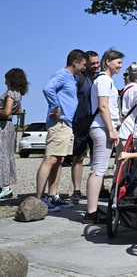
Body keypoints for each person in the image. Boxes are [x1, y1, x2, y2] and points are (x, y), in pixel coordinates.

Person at [37, 49, 86, 213]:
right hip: (59, 123)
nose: (84, 68)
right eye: (83, 64)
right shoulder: (62, 74)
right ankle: (39, 199)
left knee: (59, 160)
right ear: (76, 63)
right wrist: (55, 107)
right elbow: (47, 88)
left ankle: (52, 195)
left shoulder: (71, 78)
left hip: (67, 124)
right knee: (50, 159)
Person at [85, 48, 124, 223]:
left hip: (103, 127)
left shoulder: (105, 80)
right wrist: (110, 130)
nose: (120, 66)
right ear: (108, 61)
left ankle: (92, 209)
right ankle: (91, 212)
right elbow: (103, 106)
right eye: (118, 62)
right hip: (101, 128)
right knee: (99, 169)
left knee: (98, 168)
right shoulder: (103, 80)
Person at [70, 50, 99, 204]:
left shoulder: (101, 78)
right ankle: (76, 190)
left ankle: (97, 189)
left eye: (97, 63)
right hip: (81, 122)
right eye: (92, 63)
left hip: (97, 122)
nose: (95, 66)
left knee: (97, 157)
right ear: (85, 63)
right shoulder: (78, 79)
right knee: (79, 156)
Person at [1, 68, 28, 199]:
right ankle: (5, 185)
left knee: (2, 156)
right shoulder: (18, 93)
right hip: (10, 126)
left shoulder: (11, 93)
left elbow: (6, 112)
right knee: (7, 155)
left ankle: (4, 187)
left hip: (3, 126)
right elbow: (18, 111)